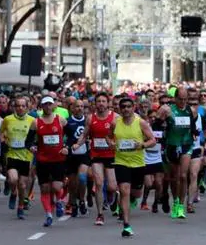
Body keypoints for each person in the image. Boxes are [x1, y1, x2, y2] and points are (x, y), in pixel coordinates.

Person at [110, 97, 155, 237]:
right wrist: (111, 143)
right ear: (119, 109)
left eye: (129, 106)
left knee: (136, 193)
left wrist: (142, 145)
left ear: (133, 107)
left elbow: (153, 140)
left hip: (138, 163)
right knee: (124, 191)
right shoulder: (115, 123)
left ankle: (132, 201)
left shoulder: (141, 123)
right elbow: (108, 136)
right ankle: (126, 224)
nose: (126, 109)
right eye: (123, 107)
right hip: (121, 161)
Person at [75, 93, 118, 226]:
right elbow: (85, 134)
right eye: (98, 101)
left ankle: (113, 195)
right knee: (98, 183)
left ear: (108, 103)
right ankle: (100, 214)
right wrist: (78, 143)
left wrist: (115, 143)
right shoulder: (90, 118)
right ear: (95, 104)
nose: (101, 104)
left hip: (111, 155)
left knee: (112, 186)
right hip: (96, 155)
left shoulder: (115, 118)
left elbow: (121, 134)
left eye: (103, 101)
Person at [30, 97, 68, 227]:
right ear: (41, 106)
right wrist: (32, 146)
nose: (47, 106)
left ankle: (59, 201)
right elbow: (28, 140)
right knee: (45, 189)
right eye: (45, 104)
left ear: (54, 106)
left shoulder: (60, 120)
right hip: (43, 160)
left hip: (58, 159)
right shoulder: (36, 122)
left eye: (49, 104)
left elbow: (70, 135)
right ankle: (48, 215)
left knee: (57, 186)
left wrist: (66, 147)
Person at [159, 87, 197, 220]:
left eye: (185, 99)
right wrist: (163, 122)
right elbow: (158, 124)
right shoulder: (167, 109)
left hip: (186, 145)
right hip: (172, 145)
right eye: (180, 99)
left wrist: (194, 134)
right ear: (175, 98)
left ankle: (181, 205)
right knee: (174, 177)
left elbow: (193, 127)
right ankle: (175, 200)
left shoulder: (191, 110)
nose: (183, 101)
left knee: (183, 175)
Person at [0, 96, 34, 220]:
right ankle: (13, 193)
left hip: (26, 156)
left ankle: (20, 208)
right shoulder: (8, 119)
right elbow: (1, 132)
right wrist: (3, 141)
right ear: (14, 107)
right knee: (13, 179)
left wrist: (34, 146)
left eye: (23, 106)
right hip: (12, 154)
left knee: (23, 185)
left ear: (27, 107)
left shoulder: (32, 120)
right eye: (18, 106)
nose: (20, 108)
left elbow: (37, 137)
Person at [64, 99, 90, 218]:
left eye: (81, 106)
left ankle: (82, 200)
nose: (80, 108)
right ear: (72, 109)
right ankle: (73, 203)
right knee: (73, 183)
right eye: (77, 106)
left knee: (82, 177)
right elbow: (62, 137)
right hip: (71, 155)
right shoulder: (67, 122)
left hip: (84, 154)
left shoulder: (87, 121)